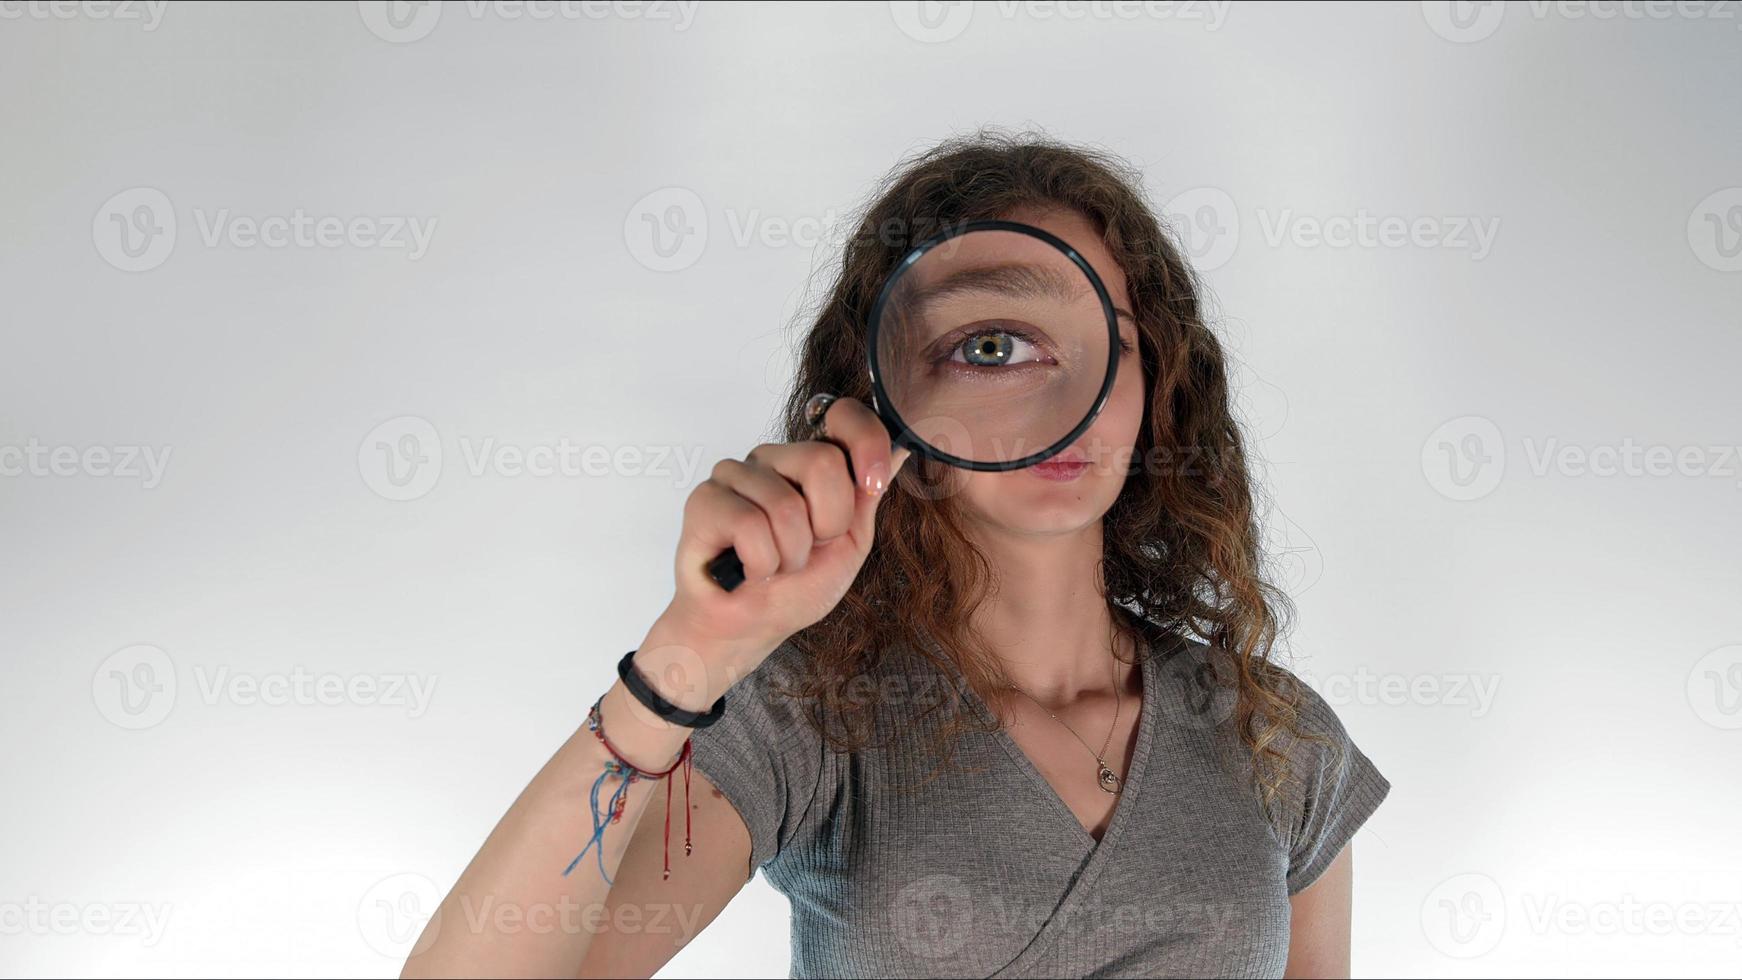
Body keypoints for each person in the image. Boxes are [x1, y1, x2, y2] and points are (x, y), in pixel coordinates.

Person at [402, 130, 1390, 979]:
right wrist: (688, 654)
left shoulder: (1277, 737)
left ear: (1154, 383)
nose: (1057, 403)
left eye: (1100, 342)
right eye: (991, 347)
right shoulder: (814, 719)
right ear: (884, 395)